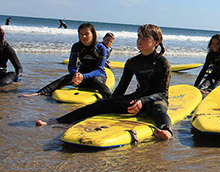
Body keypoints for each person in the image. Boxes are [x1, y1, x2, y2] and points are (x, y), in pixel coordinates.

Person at [35, 24, 172, 140]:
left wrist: (143, 101)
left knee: (158, 109)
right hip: (136, 100)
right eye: (138, 36)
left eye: (144, 37)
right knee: (99, 105)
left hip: (154, 100)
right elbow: (121, 89)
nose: (139, 40)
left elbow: (162, 93)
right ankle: (58, 120)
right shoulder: (132, 62)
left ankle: (166, 130)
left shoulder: (163, 63)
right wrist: (109, 104)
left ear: (156, 42)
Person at [23, 23, 111, 98]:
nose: (83, 36)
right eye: (81, 34)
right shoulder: (76, 46)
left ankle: (111, 100)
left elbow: (99, 70)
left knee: (95, 81)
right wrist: (75, 74)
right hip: (80, 77)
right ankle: (39, 92)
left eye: (86, 34)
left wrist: (83, 76)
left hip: (97, 76)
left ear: (93, 34)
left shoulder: (101, 48)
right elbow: (71, 66)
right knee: (66, 78)